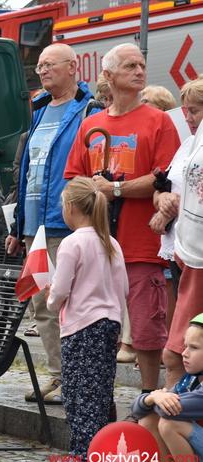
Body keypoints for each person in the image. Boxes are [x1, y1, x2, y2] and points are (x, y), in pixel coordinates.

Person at [65, 42, 180, 400]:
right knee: (98, 325)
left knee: (146, 327)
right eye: (130, 66)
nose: (140, 71)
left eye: (141, 65)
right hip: (98, 245)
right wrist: (93, 191)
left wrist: (115, 188)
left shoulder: (159, 121)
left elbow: (165, 178)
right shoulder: (92, 125)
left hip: (142, 244)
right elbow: (74, 179)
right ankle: (99, 398)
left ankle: (148, 395)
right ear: (109, 75)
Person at [6, 43, 98, 405]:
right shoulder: (40, 109)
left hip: (67, 222)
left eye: (49, 65)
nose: (42, 70)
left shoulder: (88, 110)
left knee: (71, 303)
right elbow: (27, 170)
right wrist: (19, 227)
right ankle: (59, 375)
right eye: (39, 66)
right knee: (42, 305)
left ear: (72, 67)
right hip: (35, 226)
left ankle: (76, 377)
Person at [45, 177, 128, 462]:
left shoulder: (72, 243)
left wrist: (51, 299)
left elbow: (61, 290)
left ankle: (83, 456)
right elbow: (123, 289)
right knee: (100, 391)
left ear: (70, 207)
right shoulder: (111, 242)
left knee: (78, 393)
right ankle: (98, 452)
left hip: (81, 326)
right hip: (109, 324)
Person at [151, 76, 203, 386]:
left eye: (194, 111)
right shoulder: (188, 146)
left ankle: (173, 408)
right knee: (182, 347)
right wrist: (162, 201)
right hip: (178, 249)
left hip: (197, 256)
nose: (188, 118)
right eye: (185, 111)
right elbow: (162, 187)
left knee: (178, 351)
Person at [134, 314, 203, 462]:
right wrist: (152, 397)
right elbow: (138, 411)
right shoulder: (190, 380)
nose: (184, 353)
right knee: (148, 420)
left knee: (169, 424)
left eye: (194, 348)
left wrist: (155, 397)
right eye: (185, 346)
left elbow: (169, 409)